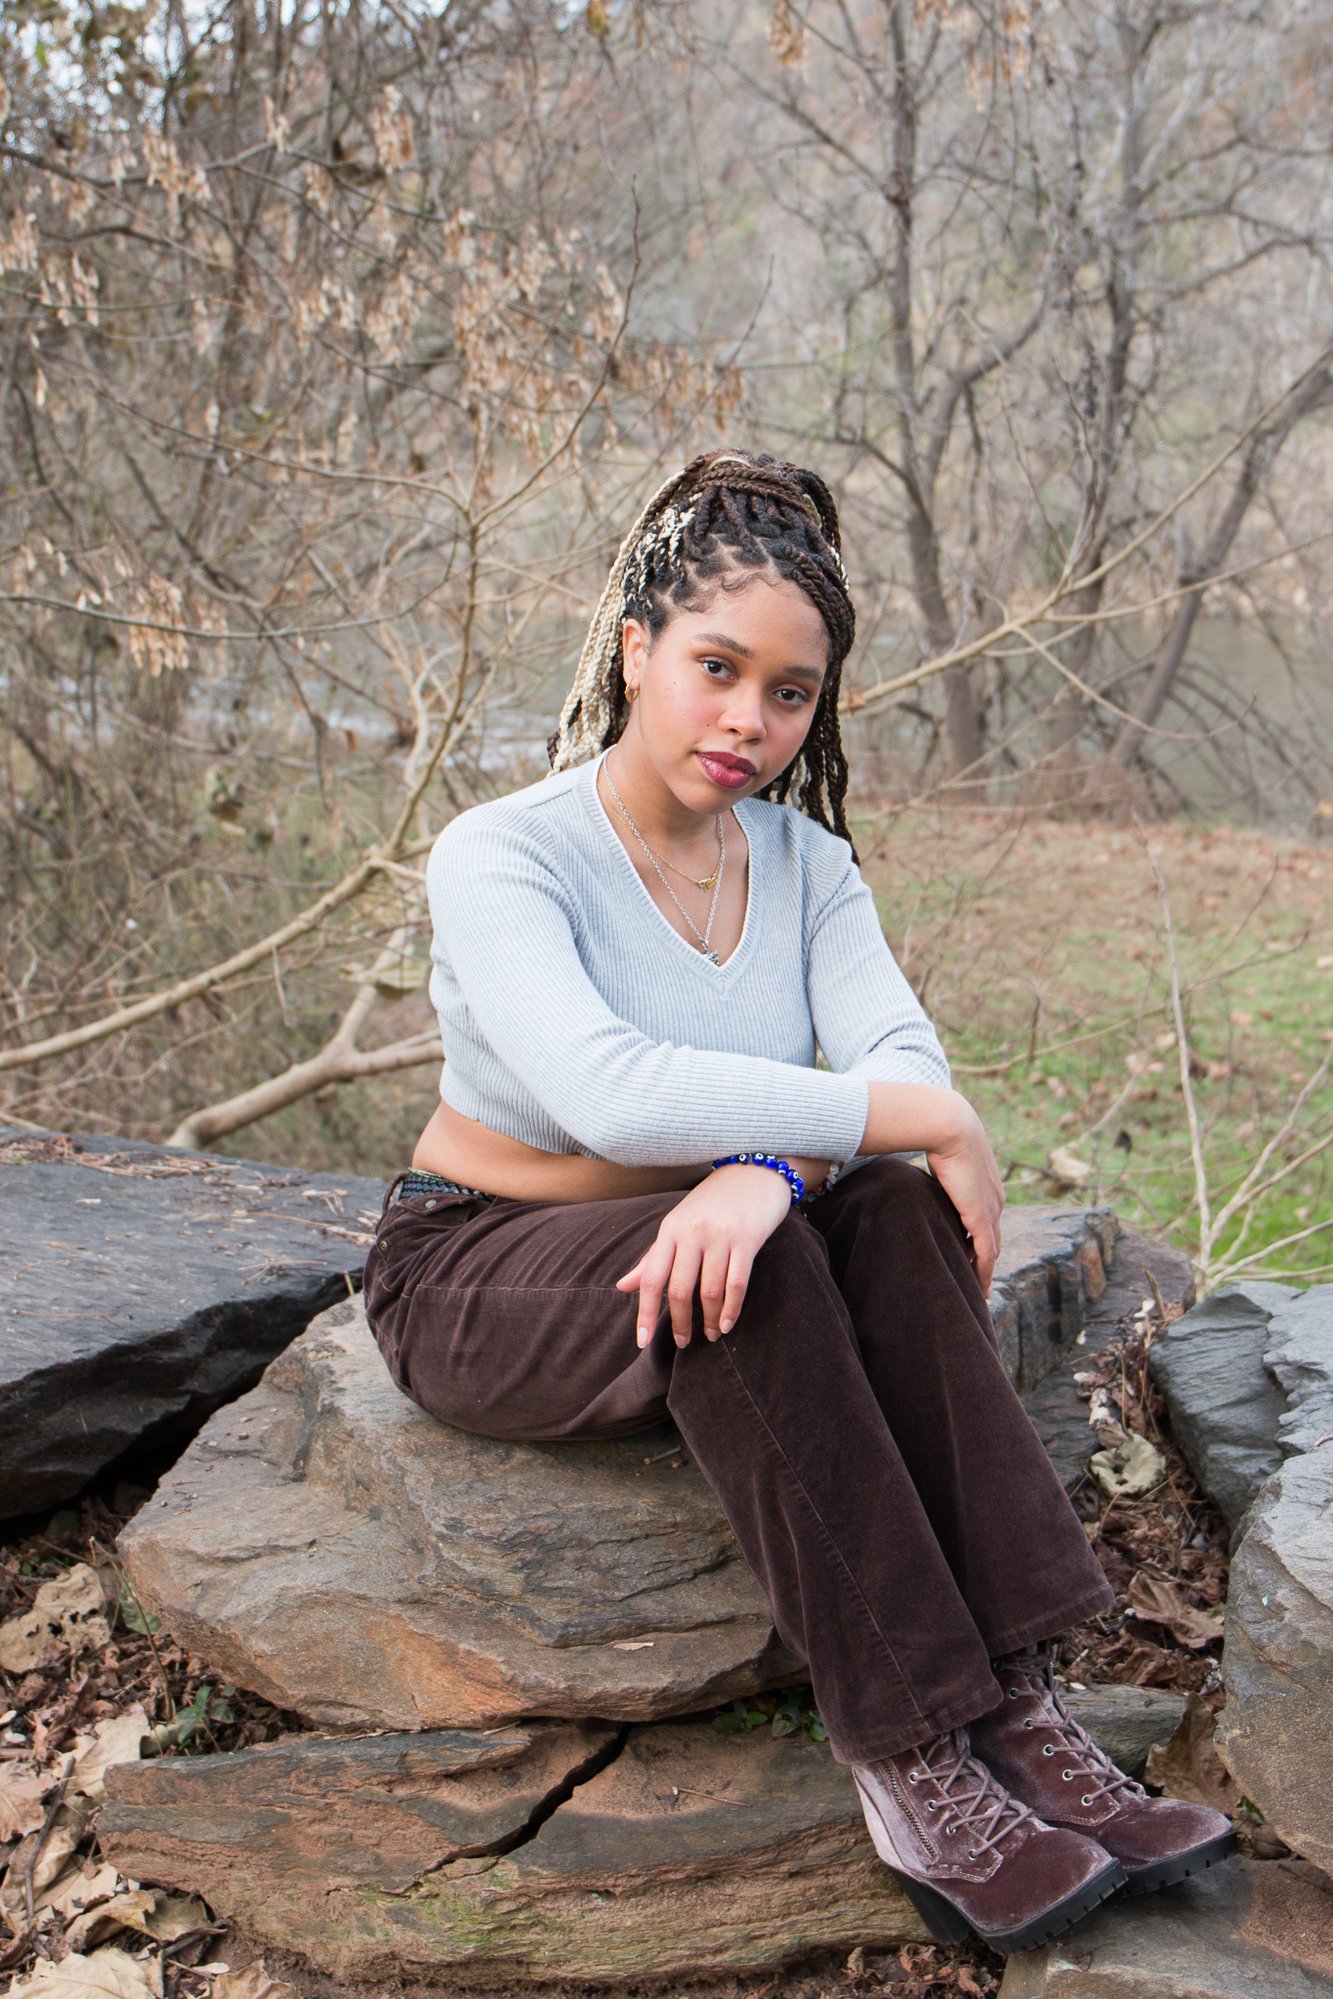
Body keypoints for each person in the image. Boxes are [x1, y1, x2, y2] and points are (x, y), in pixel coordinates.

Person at [363, 449, 1236, 1955]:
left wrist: (769, 1169)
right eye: (714, 669)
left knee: (889, 1215)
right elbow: (614, 1096)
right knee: (786, 1242)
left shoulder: (805, 862)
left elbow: (892, 1055)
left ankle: (1019, 1711)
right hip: (482, 1268)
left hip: (705, 1229)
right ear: (633, 649)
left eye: (787, 693)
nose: (745, 723)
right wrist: (898, 1125)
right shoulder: (505, 852)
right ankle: (909, 1758)